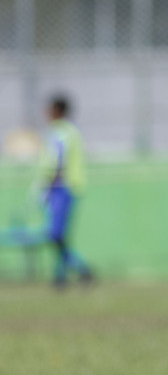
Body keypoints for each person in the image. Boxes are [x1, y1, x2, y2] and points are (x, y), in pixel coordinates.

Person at [35, 94, 92, 288]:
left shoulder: (60, 132)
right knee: (59, 235)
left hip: (61, 188)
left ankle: (81, 268)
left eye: (49, 109)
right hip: (66, 187)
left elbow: (57, 159)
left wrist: (46, 185)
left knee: (55, 234)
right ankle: (60, 277)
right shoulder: (70, 131)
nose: (46, 113)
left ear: (57, 111)